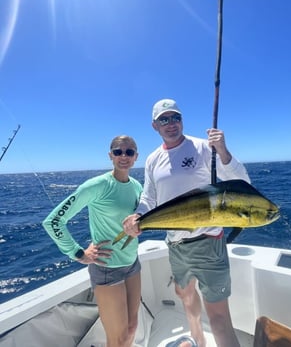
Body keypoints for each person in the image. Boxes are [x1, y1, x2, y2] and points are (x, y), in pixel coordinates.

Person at [122, 99, 250, 347]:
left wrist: (223, 151)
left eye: (175, 118)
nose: (171, 124)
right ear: (154, 126)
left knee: (219, 317)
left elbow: (241, 184)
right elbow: (149, 198)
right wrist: (138, 215)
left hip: (208, 243)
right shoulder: (152, 159)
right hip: (175, 244)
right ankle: (198, 341)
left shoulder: (204, 147)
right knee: (186, 296)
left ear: (181, 120)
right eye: (164, 119)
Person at [42, 135, 143, 347]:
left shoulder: (136, 186)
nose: (123, 156)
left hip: (133, 263)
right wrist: (78, 253)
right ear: (110, 156)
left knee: (133, 328)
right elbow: (53, 221)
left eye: (129, 152)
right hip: (107, 269)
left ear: (136, 157)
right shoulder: (97, 185)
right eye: (118, 152)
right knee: (118, 339)